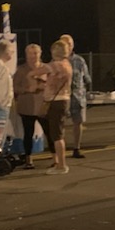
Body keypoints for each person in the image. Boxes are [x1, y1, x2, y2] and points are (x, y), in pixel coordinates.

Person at [29, 40, 73, 174]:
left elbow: (33, 73)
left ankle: (61, 165)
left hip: (55, 101)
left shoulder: (54, 66)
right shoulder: (67, 65)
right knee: (58, 132)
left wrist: (34, 84)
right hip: (64, 99)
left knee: (57, 135)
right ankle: (60, 163)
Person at [12, 43, 46, 169]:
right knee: (28, 133)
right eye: (31, 53)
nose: (34, 56)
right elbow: (15, 87)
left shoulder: (45, 68)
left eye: (36, 53)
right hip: (27, 107)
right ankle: (28, 159)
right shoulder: (21, 70)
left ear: (40, 54)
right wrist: (27, 89)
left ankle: (56, 159)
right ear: (26, 55)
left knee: (50, 132)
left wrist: (44, 86)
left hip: (43, 107)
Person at [60, 34, 92, 159]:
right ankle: (60, 150)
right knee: (61, 124)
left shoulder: (79, 60)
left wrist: (84, 91)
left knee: (78, 123)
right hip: (63, 97)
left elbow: (87, 78)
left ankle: (76, 148)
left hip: (77, 97)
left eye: (70, 44)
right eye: (65, 43)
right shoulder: (57, 61)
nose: (68, 46)